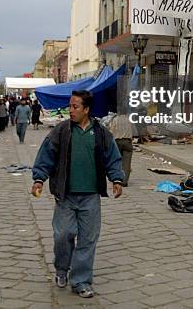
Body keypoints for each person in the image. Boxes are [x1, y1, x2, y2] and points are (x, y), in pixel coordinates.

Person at [31, 90, 124, 299]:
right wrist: (39, 179)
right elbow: (46, 155)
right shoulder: (61, 131)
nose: (70, 111)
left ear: (86, 109)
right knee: (62, 235)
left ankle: (81, 280)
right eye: (70, 106)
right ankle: (62, 270)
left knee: (88, 239)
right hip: (65, 196)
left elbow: (113, 157)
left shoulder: (101, 132)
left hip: (91, 196)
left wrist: (117, 179)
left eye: (75, 107)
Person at [108, 113, 134, 186]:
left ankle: (118, 179)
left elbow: (111, 132)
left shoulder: (114, 120)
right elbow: (134, 131)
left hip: (117, 142)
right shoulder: (129, 119)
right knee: (127, 162)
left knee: (117, 161)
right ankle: (124, 181)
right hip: (128, 142)